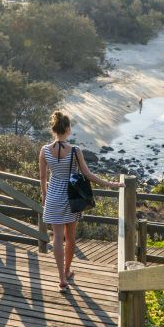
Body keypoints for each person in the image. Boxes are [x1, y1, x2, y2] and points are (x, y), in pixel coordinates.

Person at [39, 110, 121, 292]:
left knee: (57, 238)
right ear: (67, 129)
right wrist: (111, 184)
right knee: (70, 238)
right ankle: (67, 271)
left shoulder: (44, 150)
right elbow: (88, 175)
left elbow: (43, 178)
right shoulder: (75, 151)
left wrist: (44, 196)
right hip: (71, 198)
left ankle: (61, 278)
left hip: (53, 196)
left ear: (53, 129)